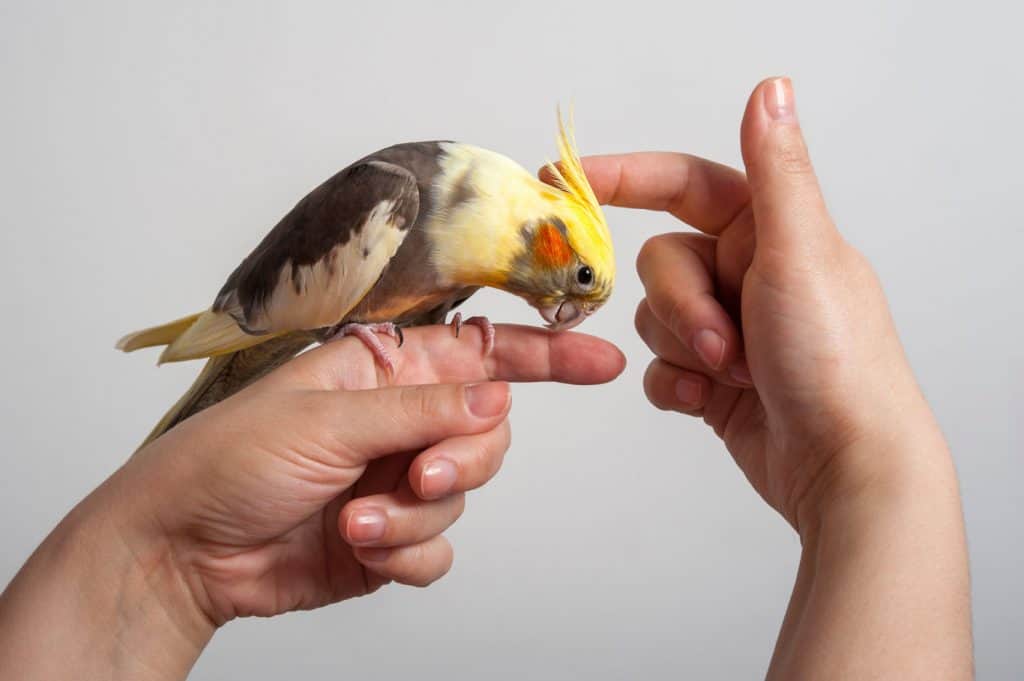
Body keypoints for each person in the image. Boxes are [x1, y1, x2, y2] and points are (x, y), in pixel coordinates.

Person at [0, 78, 972, 680]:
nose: (572, 302)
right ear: (553, 238)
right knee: (200, 414)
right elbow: (363, 282)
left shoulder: (488, 231)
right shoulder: (409, 198)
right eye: (578, 284)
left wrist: (159, 566)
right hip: (282, 311)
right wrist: (870, 479)